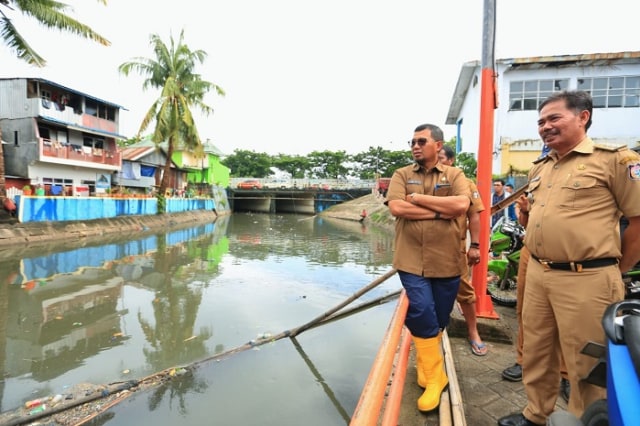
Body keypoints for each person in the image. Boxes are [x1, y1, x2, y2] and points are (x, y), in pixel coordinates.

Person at [498, 90, 640, 426]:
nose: (545, 127)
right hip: (539, 272)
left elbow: (638, 221)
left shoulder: (615, 160)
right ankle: (535, 414)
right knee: (536, 349)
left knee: (585, 361)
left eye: (553, 118)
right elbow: (534, 219)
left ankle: (586, 419)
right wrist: (526, 219)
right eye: (541, 122)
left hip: (588, 277)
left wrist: (616, 271)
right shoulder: (540, 168)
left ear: (583, 117)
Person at [386, 123, 470, 412]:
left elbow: (460, 205)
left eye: (421, 141)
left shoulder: (455, 174)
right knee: (421, 310)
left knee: (440, 318)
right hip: (411, 260)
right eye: (412, 142)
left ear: (438, 145)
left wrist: (419, 200)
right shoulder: (401, 174)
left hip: (447, 260)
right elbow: (397, 208)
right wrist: (440, 211)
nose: (415, 146)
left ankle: (427, 366)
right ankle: (436, 379)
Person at [438, 145, 487, 356]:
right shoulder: (422, 179)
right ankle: (433, 333)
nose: (437, 162)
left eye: (440, 158)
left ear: (449, 160)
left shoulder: (465, 183)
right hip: (425, 248)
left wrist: (475, 246)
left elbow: (474, 215)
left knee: (464, 292)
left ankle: (473, 332)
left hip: (453, 248)